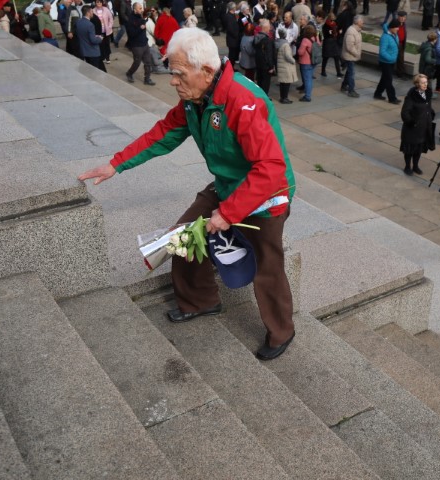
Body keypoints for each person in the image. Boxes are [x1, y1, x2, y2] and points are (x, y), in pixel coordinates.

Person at [78, 28, 297, 361]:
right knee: (183, 237)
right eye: (172, 72)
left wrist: (227, 214)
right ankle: (201, 301)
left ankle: (282, 331)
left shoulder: (242, 101)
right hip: (227, 184)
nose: (172, 81)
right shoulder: (197, 98)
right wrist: (116, 165)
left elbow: (270, 169)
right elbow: (165, 132)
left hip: (265, 195)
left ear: (206, 72)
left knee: (267, 263)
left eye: (178, 73)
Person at [400, 74, 435, 175]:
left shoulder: (427, 93)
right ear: (417, 84)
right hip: (413, 129)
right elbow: (405, 113)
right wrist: (412, 122)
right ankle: (407, 166)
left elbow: (428, 107)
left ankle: (415, 166)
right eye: (423, 82)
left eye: (426, 82)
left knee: (418, 149)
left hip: (424, 127)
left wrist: (431, 115)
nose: (425, 84)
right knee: (409, 149)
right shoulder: (411, 97)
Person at [126, 2, 155, 85]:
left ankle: (147, 79)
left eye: (141, 8)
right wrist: (140, 28)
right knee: (137, 62)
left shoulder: (141, 17)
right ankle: (129, 73)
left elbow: (143, 23)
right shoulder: (130, 20)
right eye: (140, 8)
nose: (142, 10)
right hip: (136, 45)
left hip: (144, 43)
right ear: (135, 10)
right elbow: (131, 34)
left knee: (148, 62)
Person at [373, 19, 401, 104]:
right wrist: (391, 58)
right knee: (389, 80)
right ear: (391, 27)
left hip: (392, 62)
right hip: (385, 62)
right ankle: (392, 98)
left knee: (384, 79)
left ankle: (377, 94)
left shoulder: (395, 35)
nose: (398, 29)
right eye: (396, 27)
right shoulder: (385, 37)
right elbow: (382, 52)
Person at [76, 5, 107, 72]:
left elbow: (83, 35)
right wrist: (100, 39)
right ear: (88, 13)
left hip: (84, 52)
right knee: (97, 71)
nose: (93, 13)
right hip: (93, 52)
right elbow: (93, 40)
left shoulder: (78, 22)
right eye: (91, 11)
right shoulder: (90, 25)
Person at [341, 14, 363, 98]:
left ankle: (344, 86)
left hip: (352, 56)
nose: (363, 22)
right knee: (351, 73)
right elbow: (349, 46)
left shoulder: (357, 30)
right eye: (361, 21)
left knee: (349, 72)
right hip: (350, 56)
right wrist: (357, 53)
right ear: (357, 22)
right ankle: (351, 90)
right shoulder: (351, 31)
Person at [276, 28, 299, 103]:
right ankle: (284, 98)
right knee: (286, 83)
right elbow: (288, 56)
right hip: (286, 66)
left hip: (280, 65)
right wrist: (293, 60)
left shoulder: (277, 42)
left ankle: (282, 97)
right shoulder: (286, 45)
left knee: (282, 83)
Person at [297, 24, 319, 102]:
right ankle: (308, 93)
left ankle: (307, 96)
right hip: (314, 61)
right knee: (309, 78)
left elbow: (300, 52)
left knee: (307, 79)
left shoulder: (305, 40)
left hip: (305, 62)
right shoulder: (316, 38)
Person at [254, 18, 276, 95]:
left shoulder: (256, 37)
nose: (270, 28)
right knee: (265, 84)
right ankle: (264, 99)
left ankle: (259, 97)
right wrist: (271, 66)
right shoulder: (267, 40)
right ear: (266, 28)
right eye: (269, 27)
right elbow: (269, 55)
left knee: (259, 82)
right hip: (266, 66)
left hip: (258, 63)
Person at [320, 12, 342, 78]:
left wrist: (337, 32)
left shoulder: (335, 24)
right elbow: (326, 34)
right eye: (331, 20)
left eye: (333, 19)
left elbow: (337, 32)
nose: (332, 21)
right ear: (329, 19)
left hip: (334, 42)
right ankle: (323, 71)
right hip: (328, 43)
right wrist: (334, 32)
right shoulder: (325, 25)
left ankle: (338, 72)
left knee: (336, 57)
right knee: (325, 58)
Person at [395, 11, 409, 79]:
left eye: (404, 17)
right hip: (396, 43)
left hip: (402, 43)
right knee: (399, 59)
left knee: (401, 59)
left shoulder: (404, 24)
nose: (403, 18)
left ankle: (400, 72)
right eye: (401, 17)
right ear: (398, 17)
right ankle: (400, 73)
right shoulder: (395, 23)